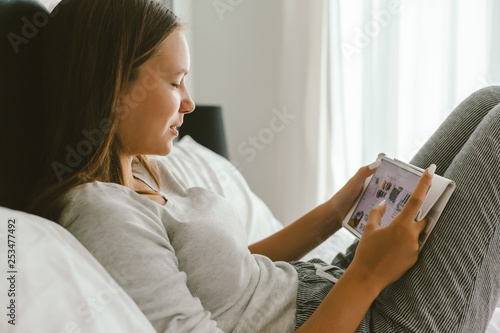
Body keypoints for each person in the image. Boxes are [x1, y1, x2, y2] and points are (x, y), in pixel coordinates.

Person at [28, 0, 500, 332]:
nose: (190, 103)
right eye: (174, 83)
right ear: (112, 88)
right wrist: (368, 275)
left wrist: (334, 213)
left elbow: (236, 273)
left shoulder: (147, 168)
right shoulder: (101, 213)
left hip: (330, 286)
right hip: (361, 319)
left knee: (487, 101)